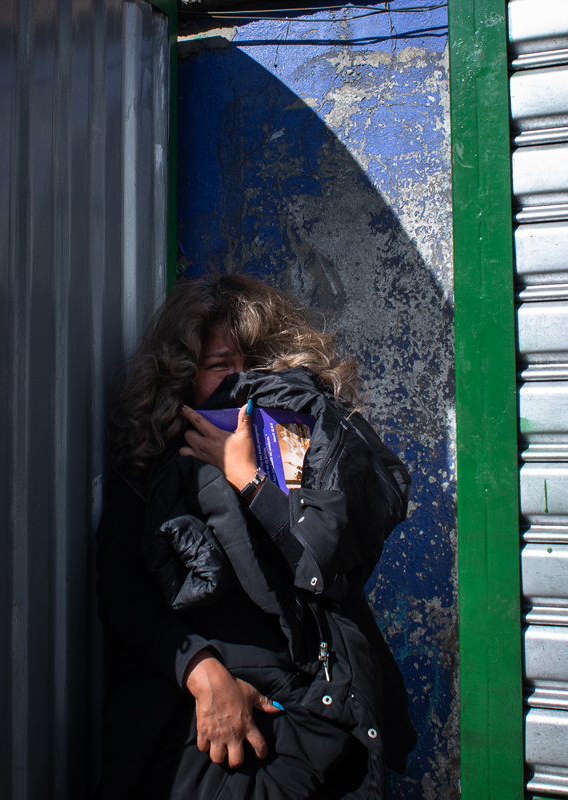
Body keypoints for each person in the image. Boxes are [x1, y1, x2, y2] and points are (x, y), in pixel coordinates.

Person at [96, 274, 416, 800]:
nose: (243, 384)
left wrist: (249, 480)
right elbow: (120, 588)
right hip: (198, 723)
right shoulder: (149, 465)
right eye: (221, 365)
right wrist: (203, 674)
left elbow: (326, 563)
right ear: (181, 376)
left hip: (308, 711)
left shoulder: (295, 450)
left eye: (258, 365)